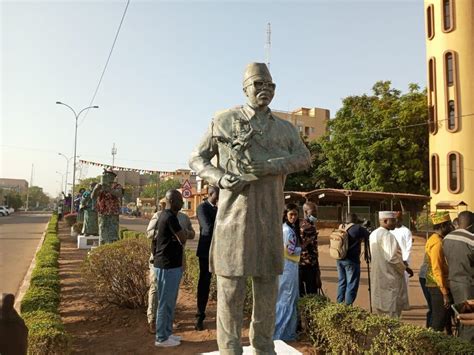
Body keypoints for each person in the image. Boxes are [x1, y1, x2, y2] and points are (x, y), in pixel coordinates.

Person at [189, 62, 311, 354]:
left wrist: (273, 166)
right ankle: (230, 349)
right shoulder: (223, 120)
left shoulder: (284, 129)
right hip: (233, 220)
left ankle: (263, 346)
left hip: (269, 219)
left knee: (267, 290)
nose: (263, 90)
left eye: (269, 85)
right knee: (230, 291)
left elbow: (304, 158)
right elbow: (196, 158)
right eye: (257, 85)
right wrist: (219, 177)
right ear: (245, 89)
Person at [146, 201, 195, 334]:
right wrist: (167, 231)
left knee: (172, 291)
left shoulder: (184, 218)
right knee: (155, 288)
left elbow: (192, 233)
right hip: (159, 258)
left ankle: (168, 319)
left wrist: (183, 232)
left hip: (177, 259)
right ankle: (153, 320)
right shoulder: (158, 215)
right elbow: (149, 233)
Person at [152, 190, 188, 347]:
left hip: (171, 265)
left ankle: (167, 333)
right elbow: (183, 237)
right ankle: (161, 337)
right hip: (167, 266)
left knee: (169, 302)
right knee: (164, 303)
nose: (182, 203)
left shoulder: (165, 216)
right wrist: (185, 232)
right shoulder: (169, 217)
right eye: (180, 200)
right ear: (172, 201)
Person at [369, 211, 413, 318]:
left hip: (379, 276)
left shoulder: (374, 233)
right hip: (389, 277)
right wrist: (404, 268)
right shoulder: (387, 235)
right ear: (385, 221)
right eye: (392, 221)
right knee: (391, 313)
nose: (395, 223)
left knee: (381, 312)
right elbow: (392, 258)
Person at [443, 210, 474, 341]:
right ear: (471, 225)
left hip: (453, 282)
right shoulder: (471, 240)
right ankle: (466, 347)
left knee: (460, 316)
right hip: (468, 284)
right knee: (470, 319)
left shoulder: (447, 238)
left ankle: (460, 343)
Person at [274, 204, 301, 341]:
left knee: (288, 298)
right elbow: (289, 251)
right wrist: (302, 248)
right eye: (291, 214)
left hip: (289, 267)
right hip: (288, 267)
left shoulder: (288, 229)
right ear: (286, 215)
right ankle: (282, 333)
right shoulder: (287, 231)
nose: (293, 217)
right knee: (286, 298)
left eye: (295, 215)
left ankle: (288, 332)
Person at [195, 186, 219, 331]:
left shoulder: (218, 209)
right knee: (204, 283)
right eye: (218, 193)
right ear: (211, 194)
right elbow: (207, 228)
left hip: (219, 251)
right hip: (206, 251)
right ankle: (199, 317)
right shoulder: (202, 208)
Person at [425, 211, 454, 333]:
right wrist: (445, 293)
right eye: (449, 224)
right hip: (437, 285)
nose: (451, 227)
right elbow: (437, 269)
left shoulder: (435, 238)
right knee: (439, 320)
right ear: (442, 226)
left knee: (443, 317)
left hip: (436, 284)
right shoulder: (437, 243)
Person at [336, 213, 370, 305]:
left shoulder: (341, 227)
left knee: (342, 282)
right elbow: (369, 235)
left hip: (339, 258)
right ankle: (348, 306)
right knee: (351, 284)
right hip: (352, 260)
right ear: (355, 220)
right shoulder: (358, 228)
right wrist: (365, 226)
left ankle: (339, 304)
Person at [92, 170, 123, 245]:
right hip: (103, 212)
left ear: (112, 177)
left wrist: (108, 188)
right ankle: (102, 246)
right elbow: (93, 196)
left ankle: (112, 247)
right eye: (104, 175)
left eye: (107, 175)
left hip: (113, 212)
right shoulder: (100, 186)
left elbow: (118, 194)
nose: (105, 176)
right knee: (102, 230)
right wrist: (96, 189)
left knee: (113, 231)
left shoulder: (117, 186)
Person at [299, 201, 322, 296]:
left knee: (300, 295)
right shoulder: (310, 227)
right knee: (311, 294)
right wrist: (317, 269)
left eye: (316, 212)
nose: (315, 215)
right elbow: (313, 250)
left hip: (298, 264)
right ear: (305, 212)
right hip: (309, 265)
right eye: (313, 212)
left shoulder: (298, 224)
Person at [392, 211, 413, 309]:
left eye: (397, 220)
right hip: (393, 260)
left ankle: (404, 304)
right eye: (394, 219)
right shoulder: (390, 231)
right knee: (394, 283)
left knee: (404, 283)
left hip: (404, 260)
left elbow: (408, 247)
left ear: (401, 220)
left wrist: (405, 261)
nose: (395, 222)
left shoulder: (406, 231)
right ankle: (396, 303)